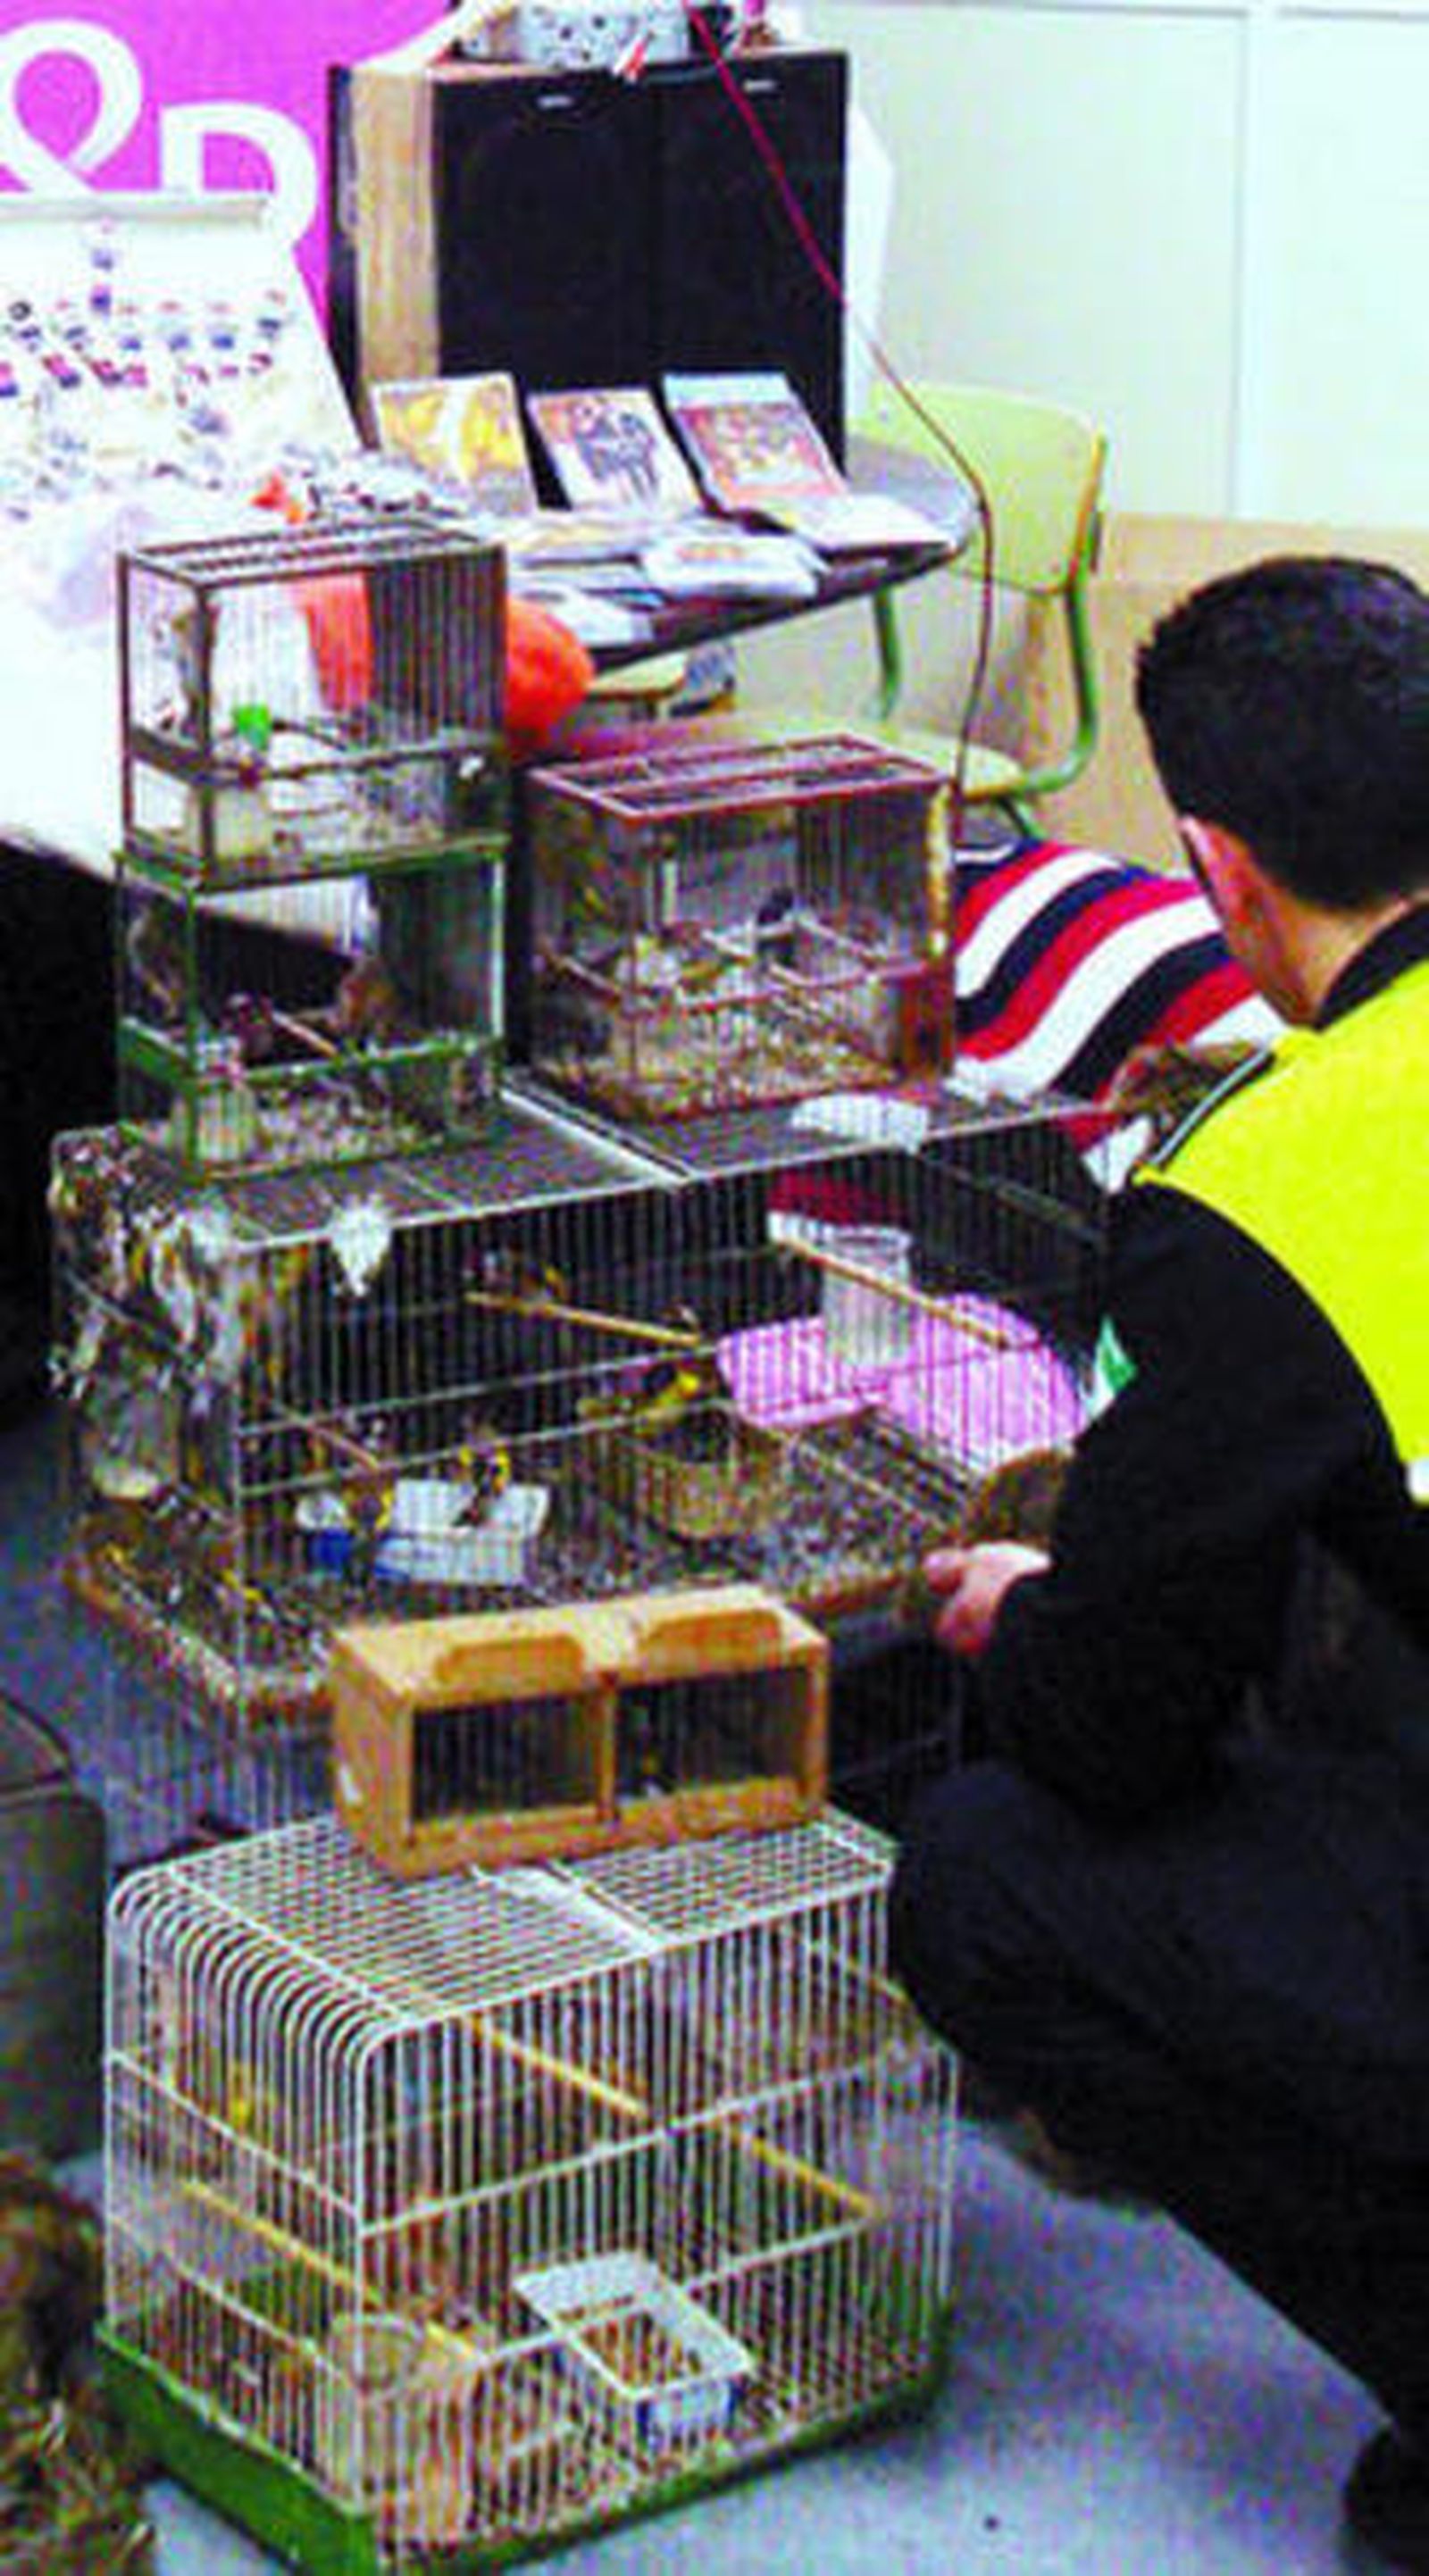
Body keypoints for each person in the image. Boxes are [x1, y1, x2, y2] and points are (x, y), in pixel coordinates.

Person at [888, 554, 1429, 2571]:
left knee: (987, 1875)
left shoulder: (1268, 1190)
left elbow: (1114, 1733)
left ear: (1213, 869)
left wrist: (1021, 1612)